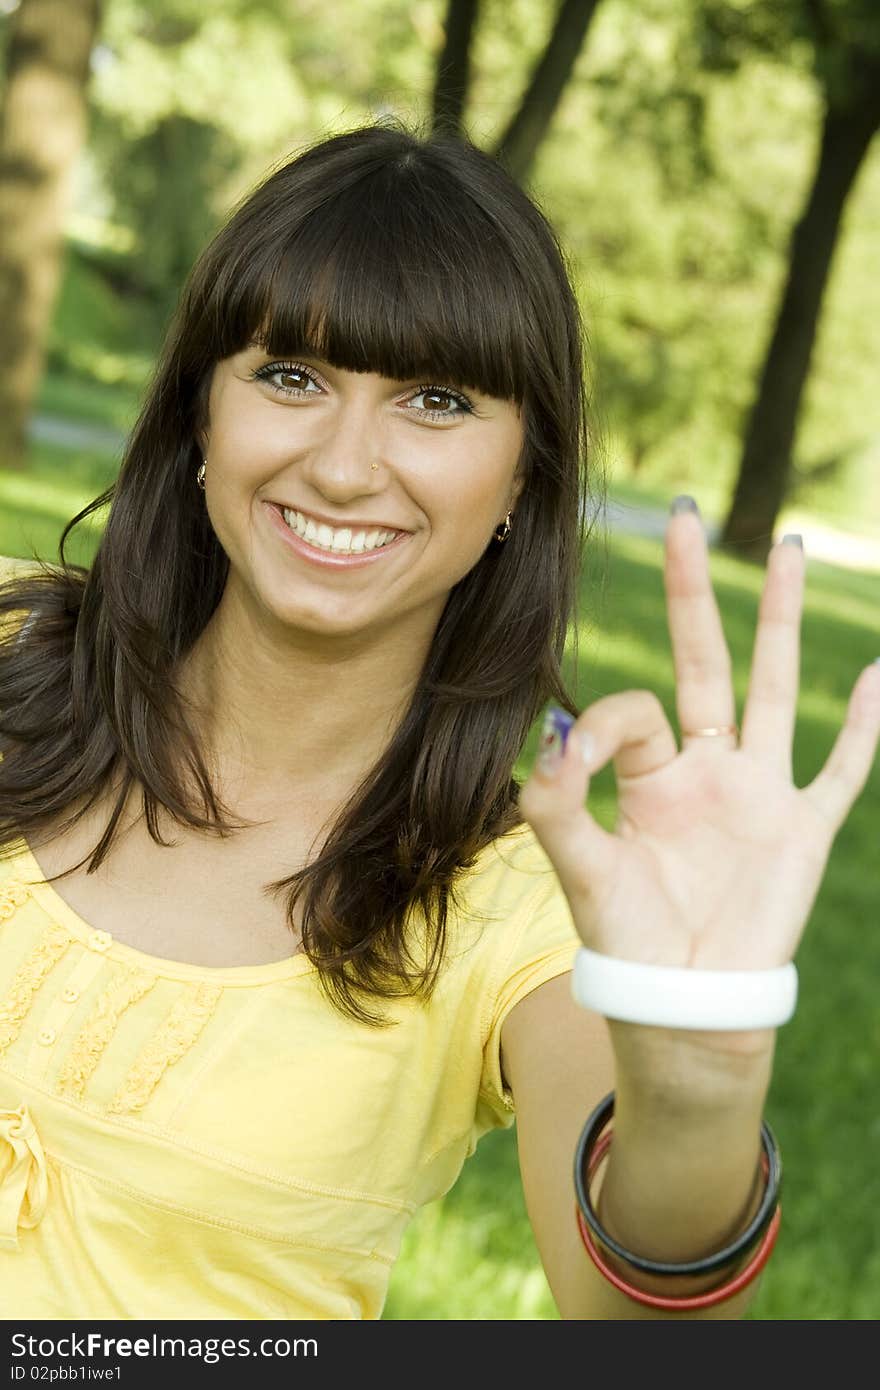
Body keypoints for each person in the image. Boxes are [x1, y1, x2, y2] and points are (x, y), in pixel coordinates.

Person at [0, 120, 877, 1323]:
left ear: (521, 477)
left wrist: (699, 1061)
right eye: (292, 377)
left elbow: (638, 1334)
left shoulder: (510, 915)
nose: (347, 466)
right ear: (203, 410)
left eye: (436, 400)